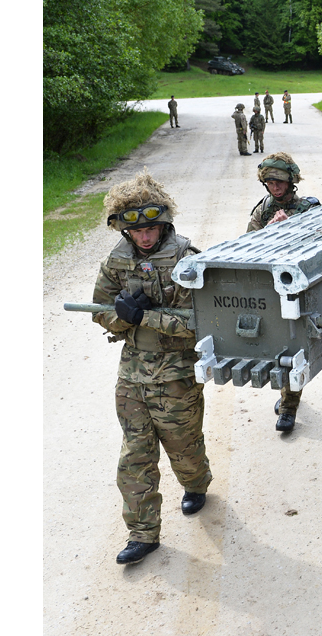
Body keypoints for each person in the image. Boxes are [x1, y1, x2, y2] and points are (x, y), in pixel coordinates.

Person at [90, 169, 213, 565]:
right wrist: (121, 317)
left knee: (184, 449)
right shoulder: (118, 260)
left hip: (177, 376)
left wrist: (146, 318)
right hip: (132, 375)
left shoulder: (187, 260)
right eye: (136, 230)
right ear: (125, 230)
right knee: (135, 455)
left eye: (151, 228)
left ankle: (196, 484)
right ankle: (143, 533)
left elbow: (202, 323)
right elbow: (100, 311)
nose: (145, 236)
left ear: (163, 222)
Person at [245, 153, 321, 431]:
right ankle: (289, 394)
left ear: (291, 180)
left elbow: (318, 248)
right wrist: (268, 231)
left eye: (279, 181)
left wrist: (291, 228)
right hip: (272, 287)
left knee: (295, 345)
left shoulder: (308, 209)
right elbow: (246, 247)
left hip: (300, 287)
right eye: (269, 182)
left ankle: (289, 406)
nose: (275, 187)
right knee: (280, 346)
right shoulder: (262, 211)